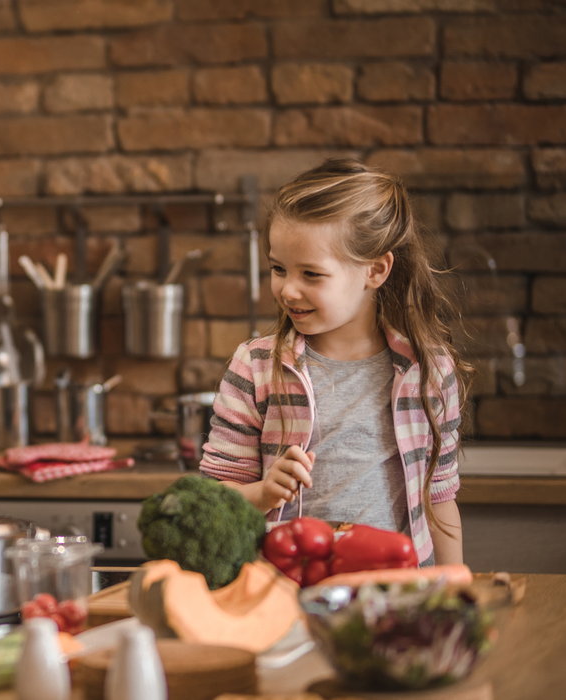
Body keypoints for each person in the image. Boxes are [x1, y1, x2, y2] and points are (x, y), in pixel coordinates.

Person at [199, 159, 469, 567]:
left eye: (311, 273)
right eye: (278, 268)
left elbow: (441, 500)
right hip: (285, 591)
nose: (287, 289)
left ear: (375, 270)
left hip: (396, 591)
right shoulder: (255, 367)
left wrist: (455, 591)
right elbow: (213, 499)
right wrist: (263, 493)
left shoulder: (428, 371)